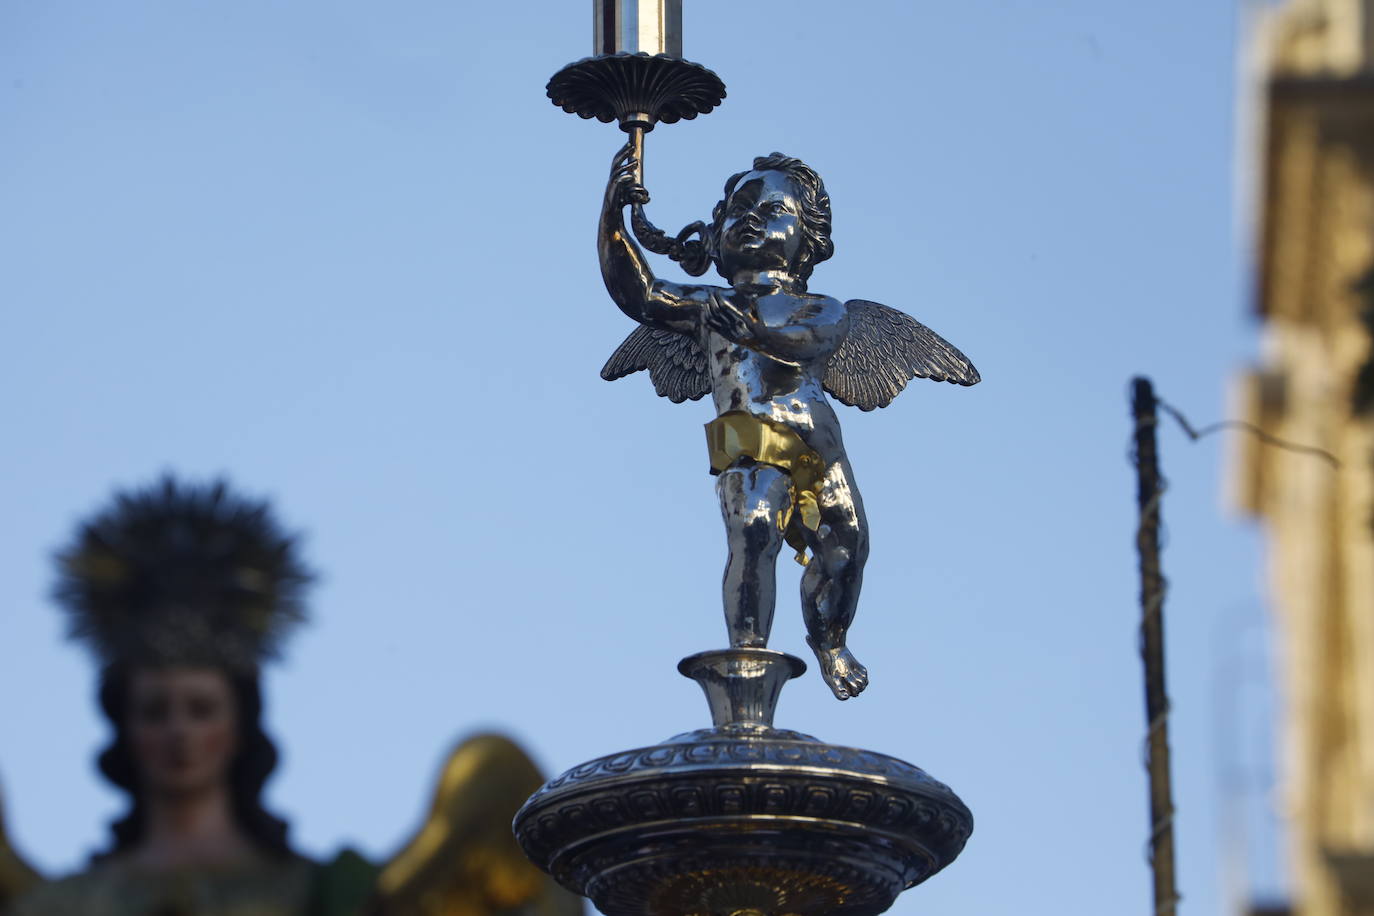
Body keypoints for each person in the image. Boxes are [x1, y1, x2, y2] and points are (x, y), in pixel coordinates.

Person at [599, 144, 980, 700]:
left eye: (773, 210)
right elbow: (639, 292)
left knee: (846, 550)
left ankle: (830, 638)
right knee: (752, 532)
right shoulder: (706, 306)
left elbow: (806, 341)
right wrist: (612, 212)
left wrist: (750, 331)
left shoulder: (822, 307)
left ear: (809, 239)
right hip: (748, 441)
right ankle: (748, 652)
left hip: (819, 453)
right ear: (716, 235)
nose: (751, 218)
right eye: (737, 210)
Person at [6, 476, 372, 916]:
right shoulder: (63, 907)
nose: (179, 732)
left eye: (202, 710)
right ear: (124, 728)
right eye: (155, 711)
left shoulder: (317, 894)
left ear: (240, 725)